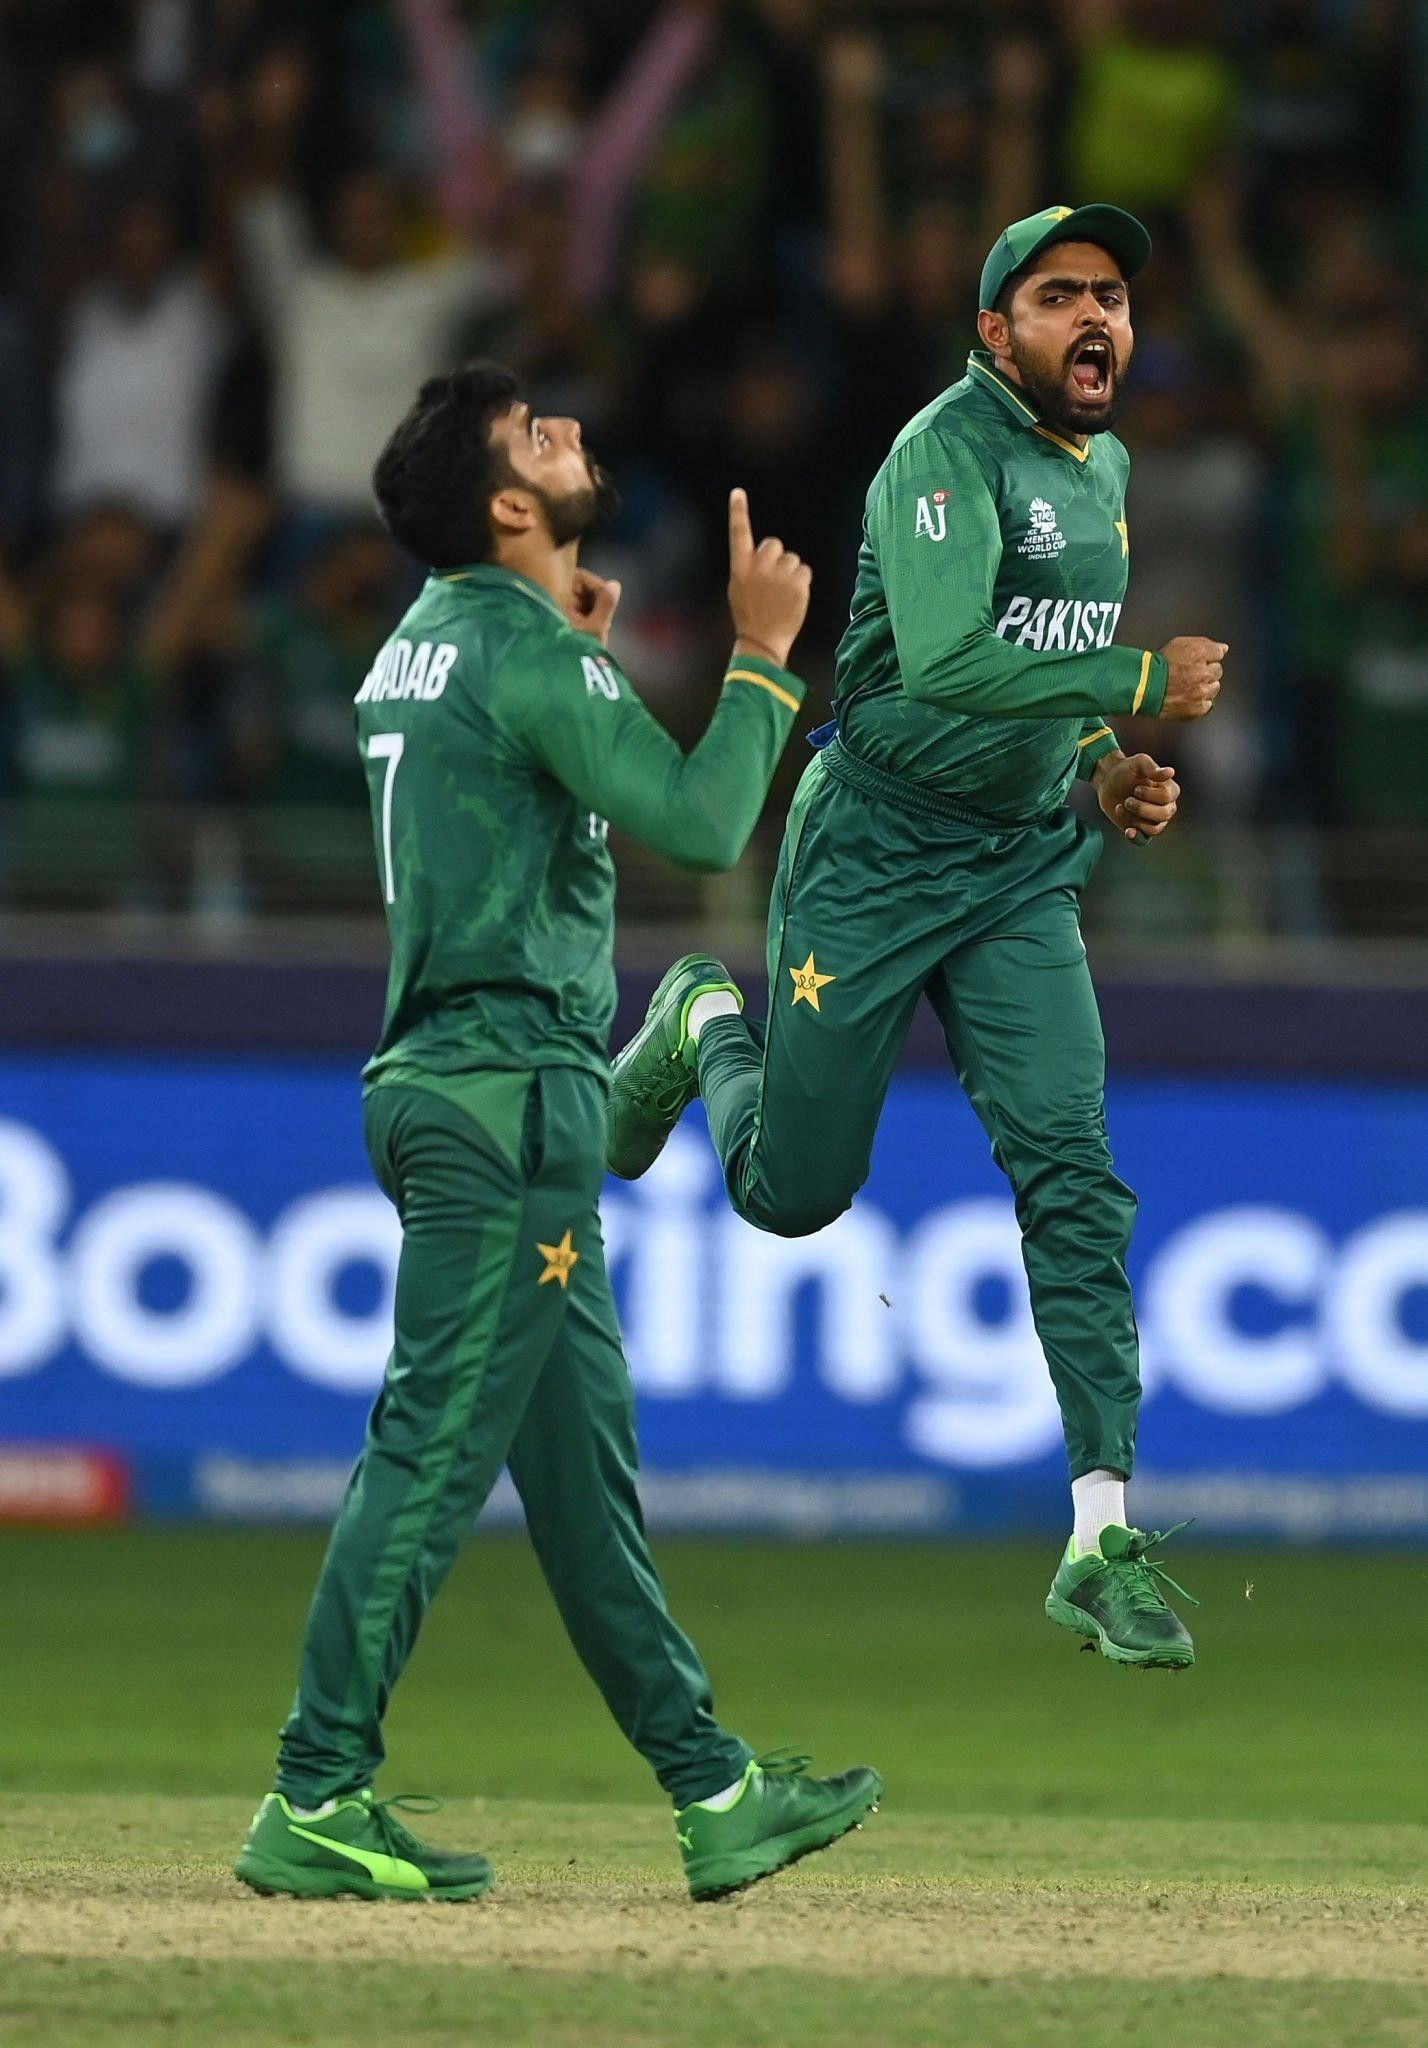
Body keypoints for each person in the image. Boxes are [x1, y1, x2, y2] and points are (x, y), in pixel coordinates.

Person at [233, 361, 882, 1906]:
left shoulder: (428, 641)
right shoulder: (523, 652)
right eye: (538, 436)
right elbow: (707, 823)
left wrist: (574, 651)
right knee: (428, 1453)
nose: (572, 433)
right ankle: (313, 1792)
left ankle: (715, 1790)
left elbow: (513, 799)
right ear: (509, 509)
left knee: (583, 1481)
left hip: (479, 1091)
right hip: (505, 1104)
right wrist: (764, 658)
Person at [608, 205, 1227, 1672]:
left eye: (1114, 296)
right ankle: (701, 1016)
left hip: (1016, 865)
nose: (1097, 316)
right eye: (1061, 295)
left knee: (1074, 1170)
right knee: (792, 1197)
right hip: (875, 853)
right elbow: (948, 661)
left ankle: (1101, 1537)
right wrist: (1141, 681)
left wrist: (1101, 766)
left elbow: (1044, 659)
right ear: (995, 330)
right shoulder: (940, 455)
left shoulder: (1105, 467)